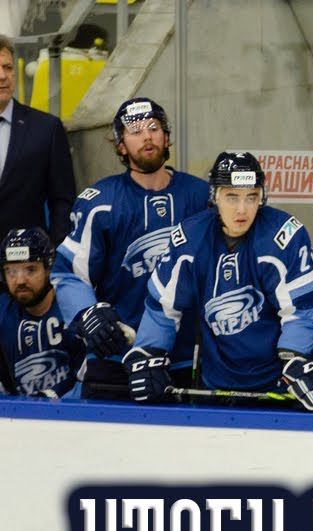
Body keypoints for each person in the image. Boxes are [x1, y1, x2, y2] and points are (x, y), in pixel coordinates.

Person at [125, 152, 313, 412]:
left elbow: (304, 309)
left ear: (262, 197)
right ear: (215, 196)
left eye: (251, 197)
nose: (242, 209)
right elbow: (162, 308)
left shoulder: (284, 235)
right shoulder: (189, 238)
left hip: (278, 385)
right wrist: (148, 351)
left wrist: (295, 358)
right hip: (214, 385)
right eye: (232, 197)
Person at [51, 97, 208, 398]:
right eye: (136, 131)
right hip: (114, 355)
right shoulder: (99, 202)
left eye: (154, 128)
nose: (147, 136)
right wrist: (86, 313)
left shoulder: (201, 198)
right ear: (121, 145)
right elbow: (69, 273)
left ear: (167, 137)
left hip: (183, 358)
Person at [0, 35, 75, 243]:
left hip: (28, 257)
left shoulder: (46, 129)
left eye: (7, 67)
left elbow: (63, 201)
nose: (2, 76)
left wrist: (55, 252)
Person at [0, 227, 84, 397]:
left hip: (71, 411)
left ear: (49, 269)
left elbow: (91, 378)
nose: (20, 280)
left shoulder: (76, 308)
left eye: (30, 269)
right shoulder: (3, 311)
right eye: (12, 271)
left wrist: (51, 398)